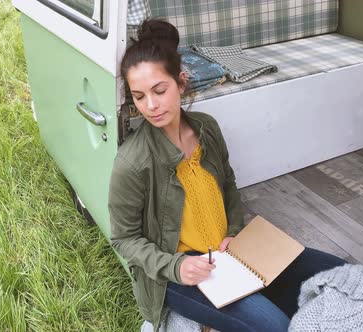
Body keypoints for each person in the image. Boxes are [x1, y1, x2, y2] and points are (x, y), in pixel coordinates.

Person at [109, 19, 346, 332]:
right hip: (180, 272)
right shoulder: (132, 162)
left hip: (231, 252)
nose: (150, 106)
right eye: (139, 96)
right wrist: (177, 266)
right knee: (275, 326)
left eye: (159, 90)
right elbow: (124, 239)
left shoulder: (207, 128)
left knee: (341, 274)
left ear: (180, 83)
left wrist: (234, 230)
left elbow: (229, 186)